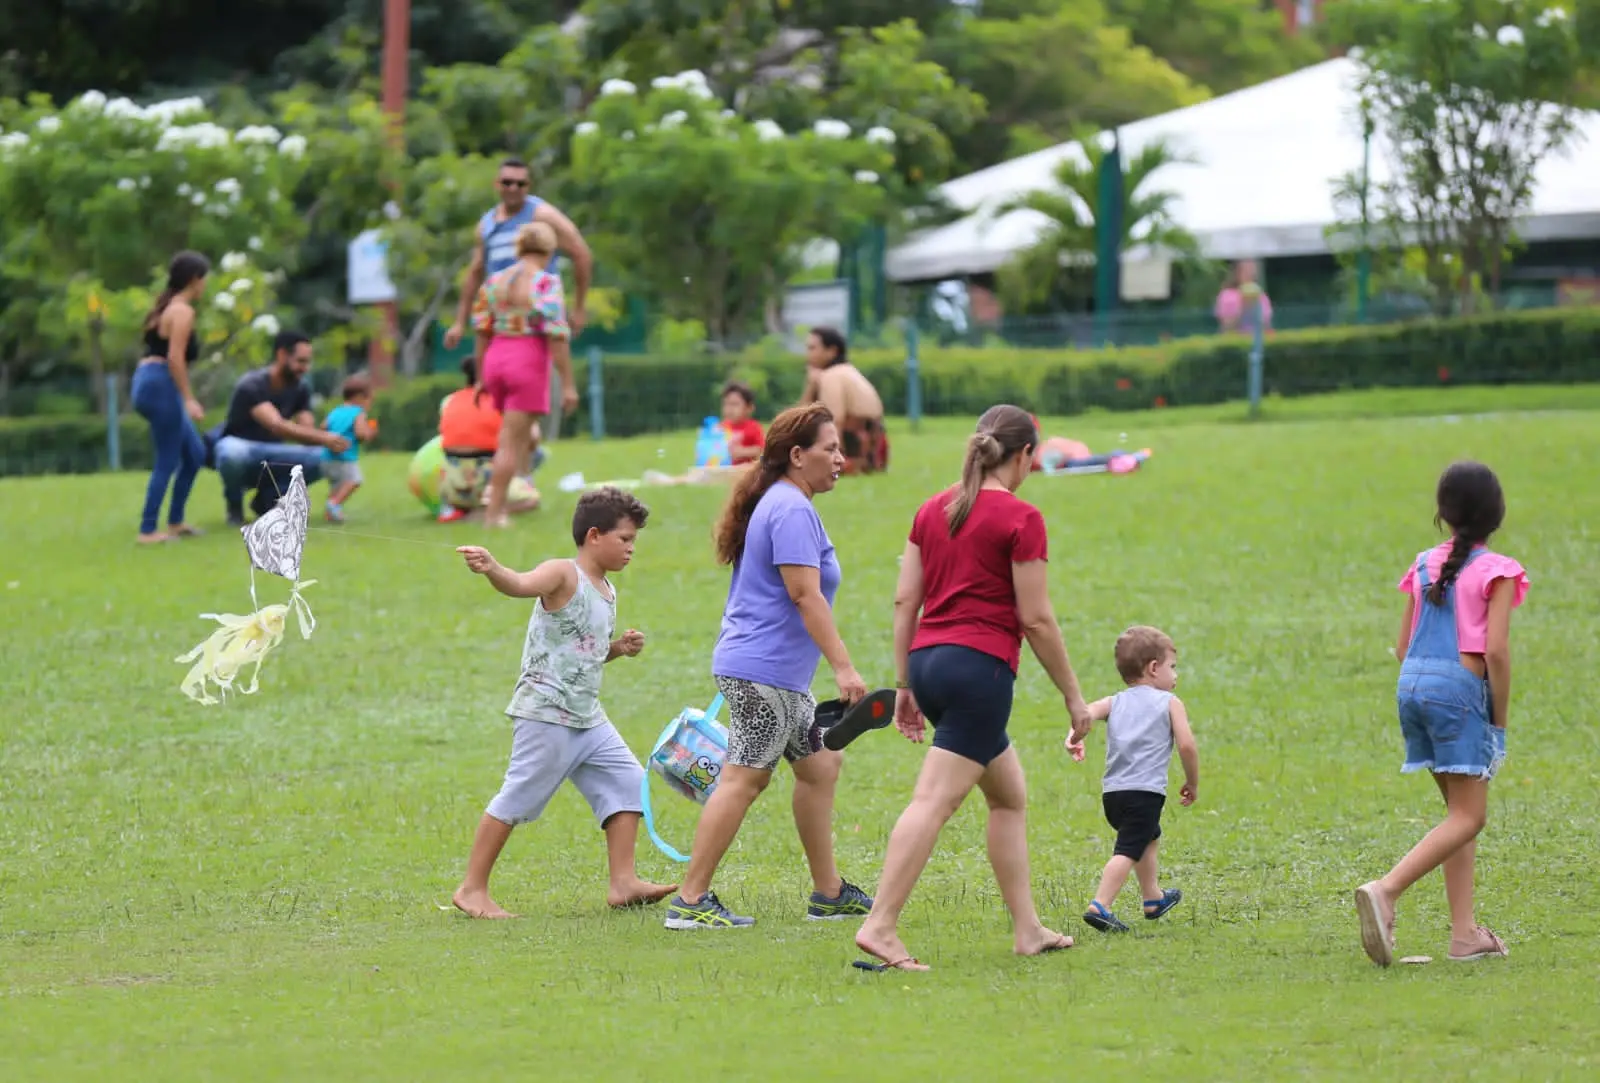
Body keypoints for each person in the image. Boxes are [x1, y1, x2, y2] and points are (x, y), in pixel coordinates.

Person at [853, 404, 1090, 971]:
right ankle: (881, 925)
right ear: (1026, 454)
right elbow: (1035, 620)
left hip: (930, 664)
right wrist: (1073, 697)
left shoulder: (932, 509)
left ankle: (1028, 928)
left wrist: (907, 682)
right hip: (978, 672)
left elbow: (905, 600)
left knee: (1008, 795)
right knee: (933, 800)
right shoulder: (1021, 518)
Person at [663, 403, 875, 930]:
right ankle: (690, 902)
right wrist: (845, 669)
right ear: (798, 455)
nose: (840, 459)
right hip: (763, 673)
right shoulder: (790, 509)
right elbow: (805, 596)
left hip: (777, 676)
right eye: (830, 449)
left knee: (821, 766)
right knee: (743, 779)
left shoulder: (786, 502)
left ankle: (828, 893)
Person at [451, 487, 678, 919]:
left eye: (633, 541)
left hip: (587, 717)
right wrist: (492, 567)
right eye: (624, 539)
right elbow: (518, 584)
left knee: (630, 781)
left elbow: (584, 649)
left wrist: (617, 649)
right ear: (595, 535)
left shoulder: (607, 589)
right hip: (546, 713)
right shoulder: (562, 573)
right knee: (517, 796)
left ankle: (623, 882)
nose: (631, 549)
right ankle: (472, 889)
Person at [1354, 461, 1527, 967]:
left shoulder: (1425, 562)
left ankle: (1464, 934)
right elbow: (1495, 652)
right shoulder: (1498, 569)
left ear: (1444, 513)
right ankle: (1386, 890)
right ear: (1495, 514)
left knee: (1458, 817)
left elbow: (1402, 645)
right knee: (1471, 815)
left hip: (1413, 687)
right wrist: (1498, 720)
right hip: (1458, 692)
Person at [1066, 625, 1199, 933]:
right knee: (1127, 849)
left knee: (1148, 835)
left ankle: (1153, 898)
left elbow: (1084, 714)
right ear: (1154, 668)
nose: (1175, 675)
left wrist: (1073, 737)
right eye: (1172, 667)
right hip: (1145, 793)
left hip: (1113, 795)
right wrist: (1192, 782)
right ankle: (1100, 905)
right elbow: (1188, 745)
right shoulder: (1169, 703)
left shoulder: (1115, 701)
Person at [471, 221, 580, 527]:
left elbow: (481, 330)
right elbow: (557, 335)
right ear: (549, 251)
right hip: (526, 361)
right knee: (509, 441)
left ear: (519, 248)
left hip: (496, 359)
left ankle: (513, 492)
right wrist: (568, 384)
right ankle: (495, 513)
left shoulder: (494, 282)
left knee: (521, 432)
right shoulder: (546, 283)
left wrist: (481, 375)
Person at [443, 156, 592, 349]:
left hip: (539, 323)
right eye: (507, 183)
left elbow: (581, 253)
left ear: (528, 186)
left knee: (543, 375)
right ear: (497, 184)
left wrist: (579, 308)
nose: (513, 188)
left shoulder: (542, 215)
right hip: (501, 324)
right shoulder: (486, 225)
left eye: (520, 184)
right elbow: (475, 272)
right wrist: (459, 323)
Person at [214, 330, 349, 524]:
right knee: (231, 452)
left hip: (275, 455)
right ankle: (234, 506)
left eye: (308, 362)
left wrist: (339, 434)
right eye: (301, 361)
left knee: (325, 456)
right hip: (244, 451)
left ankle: (267, 500)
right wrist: (324, 438)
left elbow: (307, 430)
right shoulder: (252, 385)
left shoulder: (300, 388)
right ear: (282, 355)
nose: (305, 368)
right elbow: (276, 425)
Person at [132, 251, 210, 544]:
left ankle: (175, 521)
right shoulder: (182, 311)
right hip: (160, 384)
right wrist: (189, 398)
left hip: (150, 382)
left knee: (194, 455)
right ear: (194, 280)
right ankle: (148, 529)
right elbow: (175, 358)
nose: (205, 286)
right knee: (168, 458)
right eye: (204, 280)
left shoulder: (167, 307)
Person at [436, 358, 541, 523]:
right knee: (532, 495)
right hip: (486, 483)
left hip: (452, 486)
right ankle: (491, 509)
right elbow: (533, 439)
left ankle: (461, 508)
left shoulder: (449, 401)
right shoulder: (503, 403)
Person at [799, 327, 888, 475]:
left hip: (854, 455)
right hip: (874, 454)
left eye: (812, 348)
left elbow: (834, 421)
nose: (808, 354)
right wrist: (812, 385)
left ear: (831, 351)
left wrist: (833, 461)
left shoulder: (831, 376)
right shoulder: (848, 371)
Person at [320, 373, 376, 523]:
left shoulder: (335, 411)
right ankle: (333, 504)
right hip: (345, 458)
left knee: (336, 486)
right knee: (355, 480)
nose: (369, 403)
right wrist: (369, 433)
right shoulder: (358, 413)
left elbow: (323, 427)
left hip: (326, 458)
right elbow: (360, 434)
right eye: (369, 399)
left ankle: (329, 513)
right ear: (359, 397)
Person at [1214, 260, 1273, 336]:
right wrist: (1244, 305)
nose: (1250, 275)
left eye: (1252, 271)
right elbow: (1226, 326)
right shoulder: (1227, 295)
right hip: (1235, 341)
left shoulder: (1261, 296)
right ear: (1237, 273)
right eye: (1246, 271)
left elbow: (1266, 324)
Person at [720, 381, 764, 464]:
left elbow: (762, 450)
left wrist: (742, 452)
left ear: (749, 408)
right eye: (726, 404)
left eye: (735, 404)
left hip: (746, 473)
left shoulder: (754, 427)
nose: (729, 409)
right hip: (724, 472)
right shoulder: (720, 428)